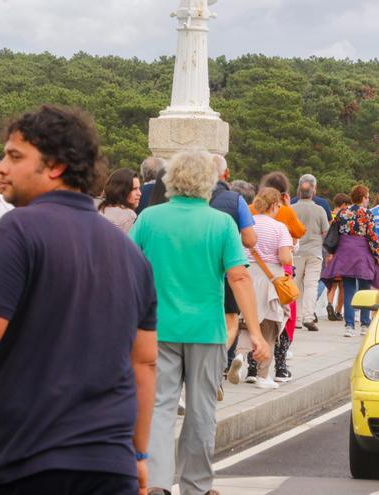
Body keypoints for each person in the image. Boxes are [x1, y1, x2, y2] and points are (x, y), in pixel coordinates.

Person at [0, 105, 157, 493]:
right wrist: (139, 455)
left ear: (55, 166)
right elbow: (144, 362)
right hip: (109, 465)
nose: (1, 167)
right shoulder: (130, 254)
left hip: (27, 459)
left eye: (15, 156)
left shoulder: (19, 229)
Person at [131, 151, 270, 495]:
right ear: (209, 182)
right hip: (207, 330)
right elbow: (239, 277)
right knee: (201, 409)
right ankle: (196, 484)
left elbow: (127, 267)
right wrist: (255, 333)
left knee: (160, 406)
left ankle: (160, 483)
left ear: (170, 180)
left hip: (157, 328)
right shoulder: (220, 223)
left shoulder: (149, 219)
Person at [234, 187, 293, 387]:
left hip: (247, 275)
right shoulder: (279, 228)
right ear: (275, 204)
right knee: (269, 327)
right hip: (270, 279)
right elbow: (285, 257)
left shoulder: (248, 224)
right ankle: (262, 375)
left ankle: (240, 356)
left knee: (245, 323)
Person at [208, 154, 257, 394]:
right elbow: (250, 239)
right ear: (225, 174)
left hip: (199, 267)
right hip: (228, 267)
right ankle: (218, 366)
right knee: (230, 320)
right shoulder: (235, 200)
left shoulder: (191, 198)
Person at [257, 172, 305, 382]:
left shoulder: (250, 211)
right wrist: (288, 207)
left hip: (251, 273)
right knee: (283, 317)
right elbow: (300, 231)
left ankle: (249, 363)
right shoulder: (284, 212)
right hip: (278, 274)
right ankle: (280, 365)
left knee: (252, 319)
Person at [322, 185, 379, 337]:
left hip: (345, 253)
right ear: (363, 198)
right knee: (364, 289)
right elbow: (372, 237)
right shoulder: (366, 213)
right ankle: (364, 324)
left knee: (348, 288)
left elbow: (335, 232)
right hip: (362, 253)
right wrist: (378, 256)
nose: (368, 200)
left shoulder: (343, 212)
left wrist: (332, 253)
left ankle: (349, 325)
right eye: (368, 197)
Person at [291, 179, 329, 332]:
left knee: (296, 284)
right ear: (313, 192)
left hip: (296, 252)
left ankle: (297, 319)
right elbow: (325, 232)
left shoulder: (292, 209)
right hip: (314, 251)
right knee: (311, 285)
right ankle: (308, 316)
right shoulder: (320, 210)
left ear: (299, 192)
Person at [325, 193, 351, 321]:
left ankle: (329, 303)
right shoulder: (344, 217)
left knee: (331, 283)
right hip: (342, 254)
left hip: (329, 253)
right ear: (344, 205)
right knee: (342, 286)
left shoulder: (329, 216)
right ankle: (338, 311)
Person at [98, 168, 141, 233]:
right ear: (121, 190)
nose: (139, 193)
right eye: (134, 189)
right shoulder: (129, 216)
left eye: (139, 188)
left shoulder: (99, 208)